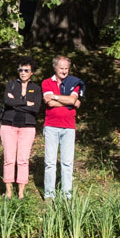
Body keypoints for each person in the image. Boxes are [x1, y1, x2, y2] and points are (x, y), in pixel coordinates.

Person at [0, 57, 42, 198]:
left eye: (26, 70)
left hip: (27, 127)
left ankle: (21, 192)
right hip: (8, 125)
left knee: (23, 159)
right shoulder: (11, 84)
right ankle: (8, 191)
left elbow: (35, 108)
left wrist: (16, 103)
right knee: (9, 159)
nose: (22, 73)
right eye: (20, 70)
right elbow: (6, 101)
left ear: (32, 72)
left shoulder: (36, 88)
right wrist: (25, 103)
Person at [40, 56, 83, 199]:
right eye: (61, 68)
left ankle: (67, 195)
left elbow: (71, 99)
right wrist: (69, 102)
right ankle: (49, 195)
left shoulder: (74, 82)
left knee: (67, 162)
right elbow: (49, 103)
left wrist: (56, 97)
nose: (64, 71)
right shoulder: (46, 82)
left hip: (69, 127)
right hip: (51, 126)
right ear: (55, 68)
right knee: (50, 163)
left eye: (66, 68)